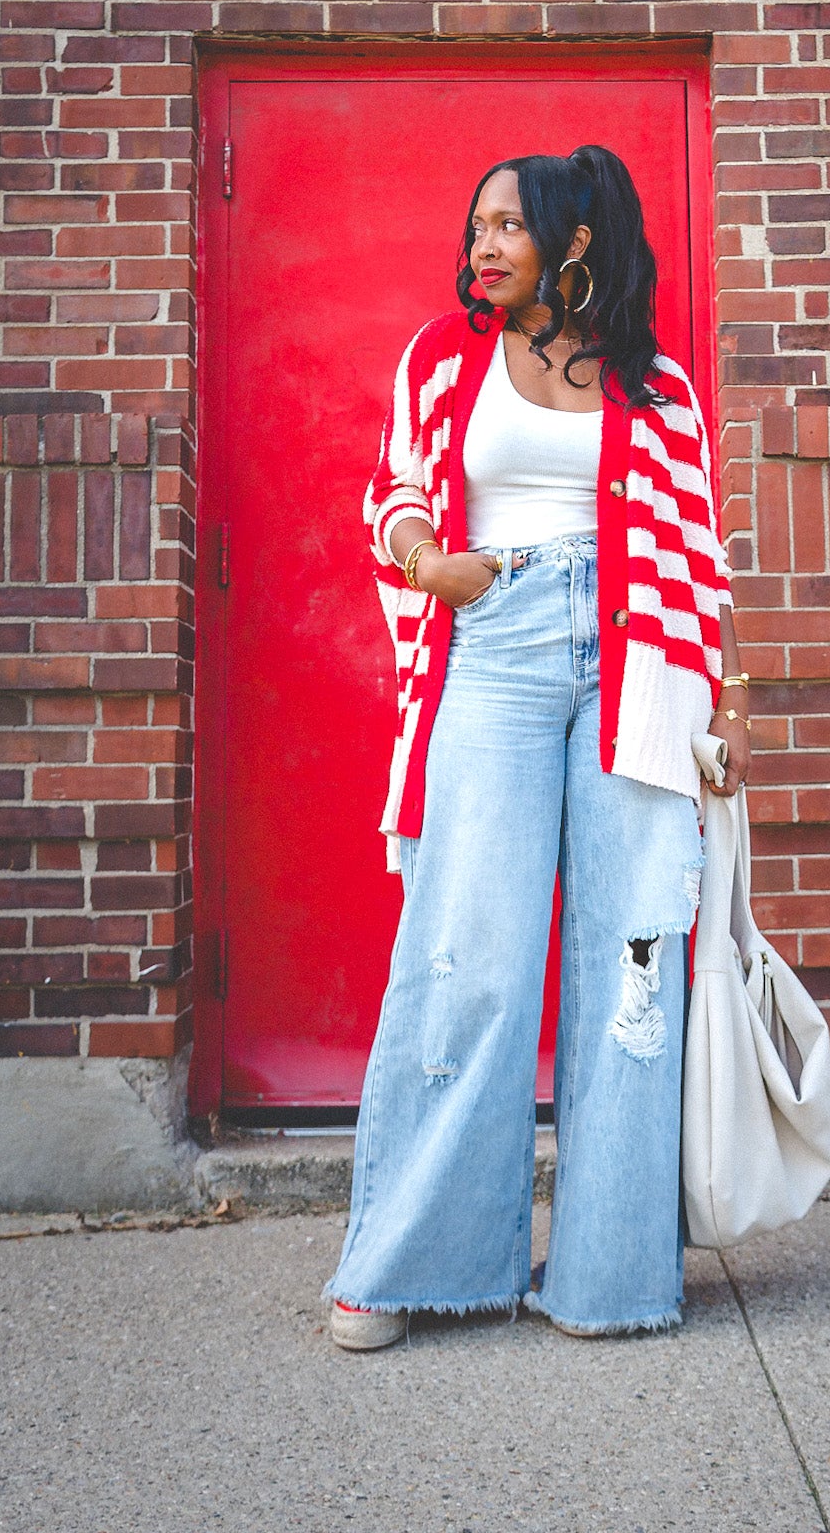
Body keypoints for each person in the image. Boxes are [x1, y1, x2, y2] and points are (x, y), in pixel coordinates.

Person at [325, 144, 751, 1349]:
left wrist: (723, 711)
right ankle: (407, 1263)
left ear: (572, 241)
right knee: (472, 953)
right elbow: (394, 490)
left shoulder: (657, 385)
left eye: (508, 222)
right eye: (475, 226)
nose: (482, 243)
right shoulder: (443, 357)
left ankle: (612, 1275)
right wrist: (427, 561)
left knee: (631, 970)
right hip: (496, 642)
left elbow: (701, 559)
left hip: (638, 668)